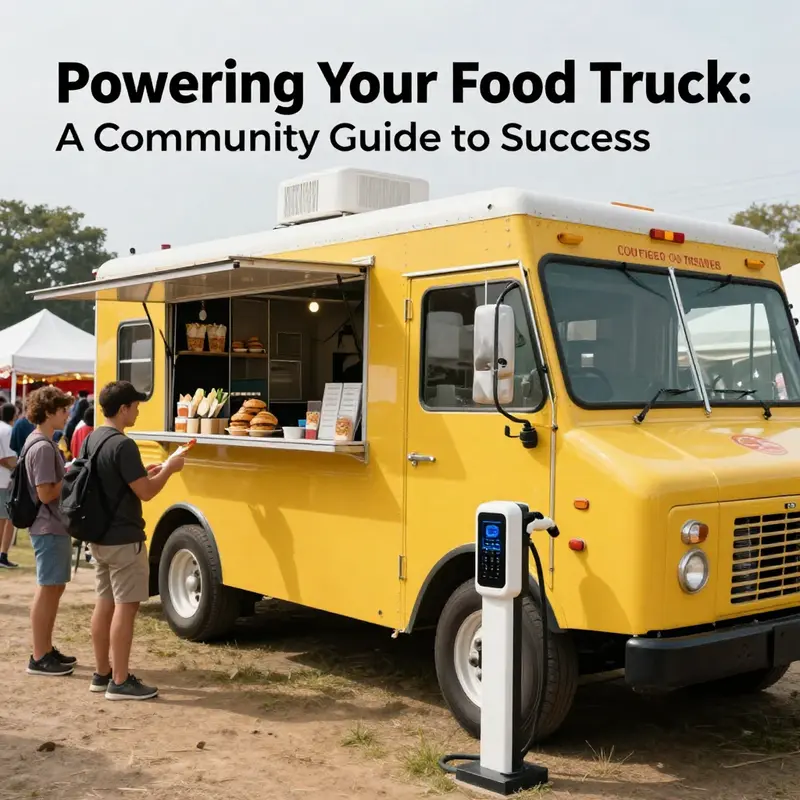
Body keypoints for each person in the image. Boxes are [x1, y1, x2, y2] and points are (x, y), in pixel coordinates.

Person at [87, 381, 184, 700]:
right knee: (125, 610)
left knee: (104, 604)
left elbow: (121, 480)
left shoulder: (93, 438)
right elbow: (145, 492)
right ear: (124, 408)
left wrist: (147, 471)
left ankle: (102, 673)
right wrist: (169, 469)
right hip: (124, 537)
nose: (139, 410)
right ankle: (120, 680)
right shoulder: (123, 444)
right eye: (136, 405)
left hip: (98, 536)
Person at [23, 386, 76, 677]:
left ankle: (44, 648)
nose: (67, 414)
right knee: (48, 589)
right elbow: (45, 493)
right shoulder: (44, 446)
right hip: (48, 524)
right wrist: (70, 474)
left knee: (53, 587)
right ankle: (40, 654)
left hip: (50, 525)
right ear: (49, 412)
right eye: (63, 409)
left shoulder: (40, 442)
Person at [0, 402, 19, 569]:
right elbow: (7, 458)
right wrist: (19, 467)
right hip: (4, 481)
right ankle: (2, 554)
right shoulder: (7, 431)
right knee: (6, 520)